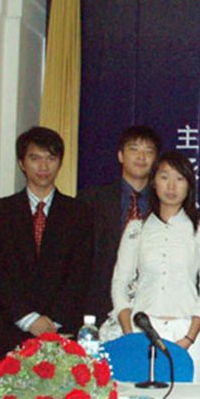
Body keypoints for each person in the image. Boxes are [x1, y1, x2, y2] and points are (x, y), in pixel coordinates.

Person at [0, 127, 93, 365]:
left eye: (51, 158)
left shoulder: (80, 213)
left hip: (61, 332)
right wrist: (29, 320)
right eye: (35, 158)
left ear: (60, 163)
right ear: (21, 163)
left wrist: (52, 322)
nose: (43, 166)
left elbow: (80, 274)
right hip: (11, 332)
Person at [110, 151, 200, 383]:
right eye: (164, 177)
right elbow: (120, 282)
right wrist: (130, 334)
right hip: (143, 330)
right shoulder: (136, 228)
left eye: (179, 179)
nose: (171, 186)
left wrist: (189, 337)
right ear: (153, 182)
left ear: (189, 186)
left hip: (187, 331)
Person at [78, 125, 160, 328]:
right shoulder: (91, 200)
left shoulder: (165, 204)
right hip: (98, 304)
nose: (141, 157)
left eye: (148, 151)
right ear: (121, 155)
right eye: (134, 149)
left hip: (151, 307)